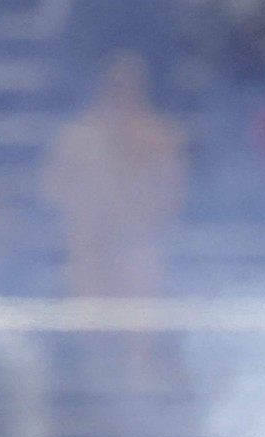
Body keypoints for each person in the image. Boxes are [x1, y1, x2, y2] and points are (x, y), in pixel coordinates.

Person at [40, 52, 190, 301]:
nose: (120, 95)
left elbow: (173, 195)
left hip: (139, 244)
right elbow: (53, 191)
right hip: (87, 243)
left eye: (127, 87)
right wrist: (92, 216)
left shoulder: (161, 138)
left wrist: (135, 222)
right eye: (114, 87)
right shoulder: (74, 139)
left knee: (138, 289)